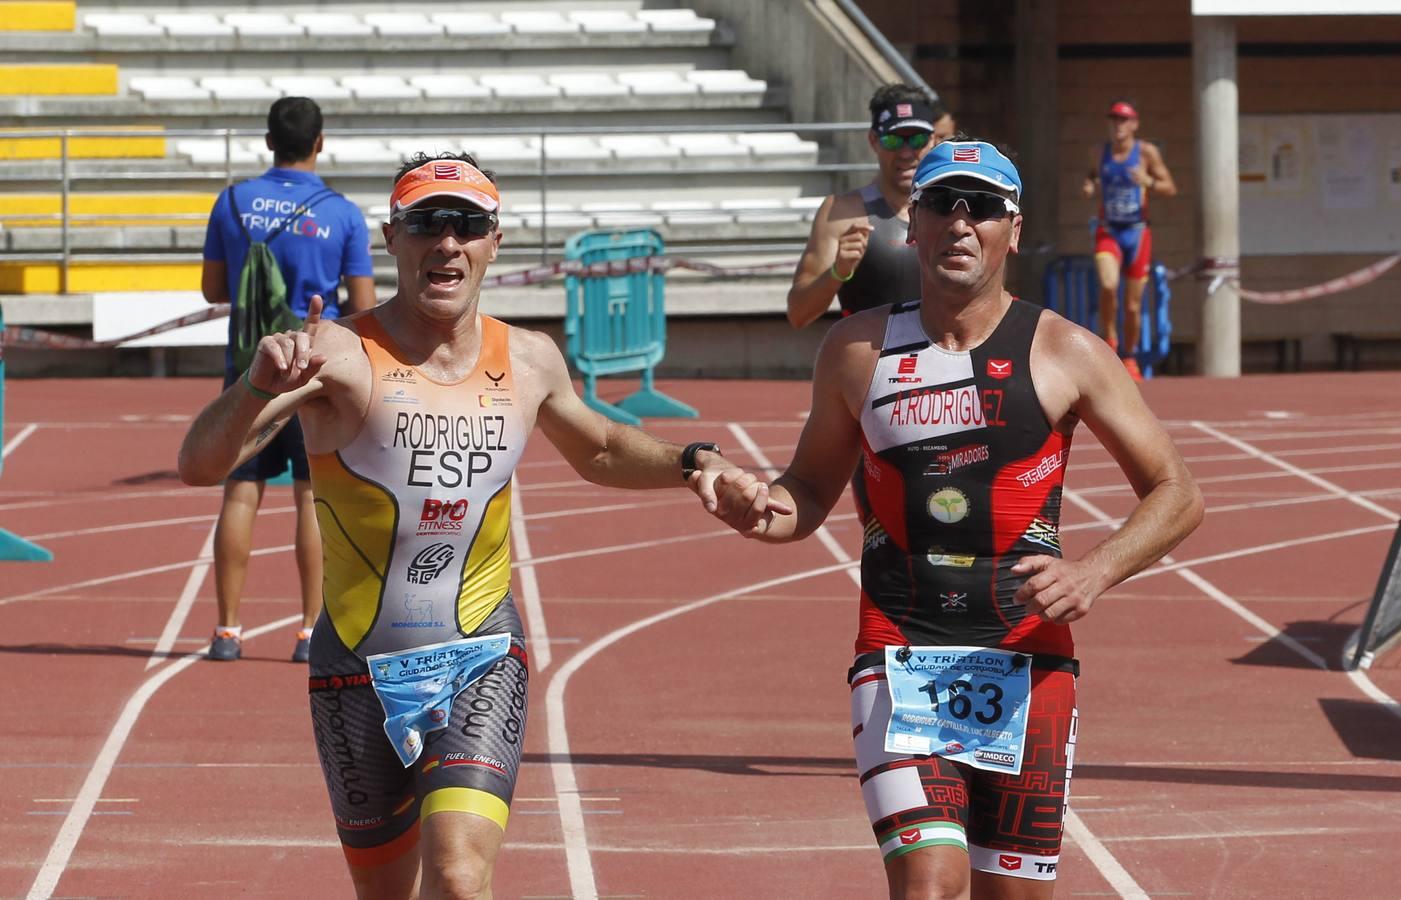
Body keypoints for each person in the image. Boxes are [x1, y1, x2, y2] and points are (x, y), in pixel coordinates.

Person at [178, 152, 756, 899]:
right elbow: (198, 463)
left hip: (479, 652)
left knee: (457, 875)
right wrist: (255, 383)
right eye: (426, 223)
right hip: (354, 664)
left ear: (493, 241)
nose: (446, 241)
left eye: (467, 224)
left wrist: (693, 460)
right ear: (392, 237)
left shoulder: (529, 358)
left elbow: (603, 447)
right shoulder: (335, 354)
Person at [709, 137, 1203, 899]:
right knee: (928, 884)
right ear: (913, 224)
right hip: (899, 652)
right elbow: (805, 491)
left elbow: (1176, 491)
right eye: (942, 203)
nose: (960, 223)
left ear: (1012, 227)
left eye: (982, 208)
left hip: (1029, 662)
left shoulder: (1065, 350)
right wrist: (757, 508)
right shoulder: (855, 349)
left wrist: (1094, 572)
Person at [200, 96, 377, 662]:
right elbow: (365, 303)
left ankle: (228, 630)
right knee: (310, 497)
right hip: (314, 366)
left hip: (249, 364)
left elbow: (213, 290)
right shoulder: (343, 213)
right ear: (319, 142)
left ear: (268, 140)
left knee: (241, 492)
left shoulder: (231, 201)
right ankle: (308, 631)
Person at [786, 84, 955, 329]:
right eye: (894, 140)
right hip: (869, 363)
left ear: (932, 140)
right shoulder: (843, 213)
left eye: (917, 139)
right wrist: (837, 272)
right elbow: (798, 314)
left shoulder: (957, 210)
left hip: (938, 362)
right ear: (874, 140)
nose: (906, 153)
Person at [1081, 98, 1177, 382]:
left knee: (1133, 305)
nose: (1118, 125)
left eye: (1123, 120)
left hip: (1137, 233)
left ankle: (1130, 355)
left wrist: (1148, 183)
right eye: (1114, 120)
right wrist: (1088, 185)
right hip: (1109, 230)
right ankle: (1110, 341)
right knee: (1109, 285)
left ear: (1134, 124)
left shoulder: (1146, 153)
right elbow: (1090, 177)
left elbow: (1170, 187)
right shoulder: (1099, 152)